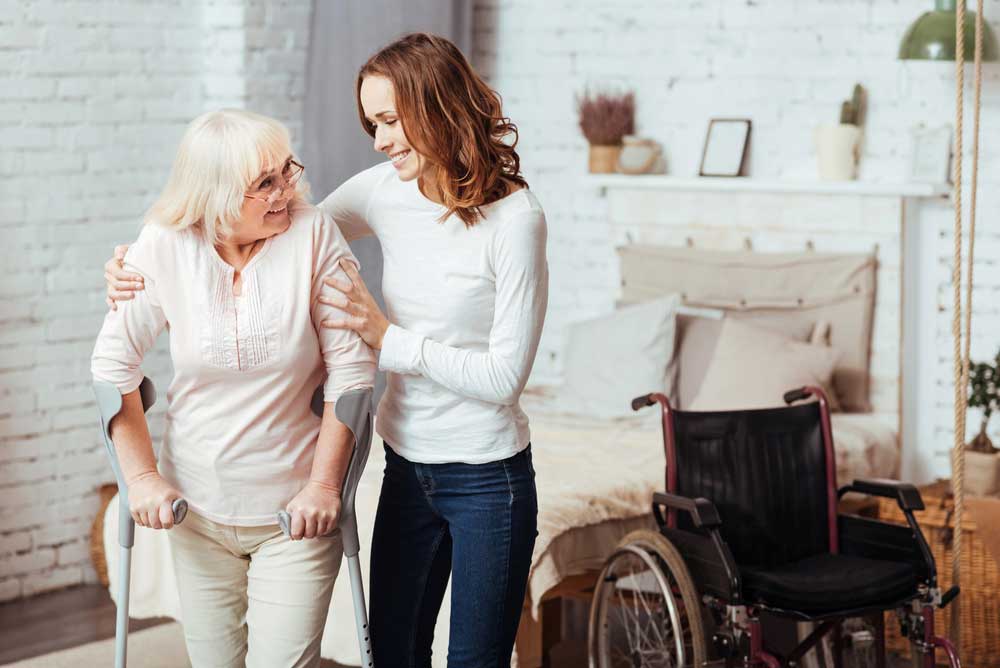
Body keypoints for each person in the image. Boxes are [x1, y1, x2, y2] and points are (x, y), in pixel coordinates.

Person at [104, 33, 547, 667]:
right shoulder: (386, 188)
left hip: (487, 475)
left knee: (475, 659)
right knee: (394, 653)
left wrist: (386, 338)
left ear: (439, 106)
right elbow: (282, 225)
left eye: (391, 120)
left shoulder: (517, 220)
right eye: (373, 123)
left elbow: (504, 377)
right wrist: (139, 264)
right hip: (406, 465)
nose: (380, 140)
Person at [92, 109, 375, 668]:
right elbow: (111, 366)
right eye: (264, 184)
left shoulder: (313, 234)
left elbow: (352, 373)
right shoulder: (165, 246)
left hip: (294, 513)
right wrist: (143, 478)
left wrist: (324, 487)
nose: (285, 193)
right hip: (194, 508)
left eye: (286, 173)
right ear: (216, 196)